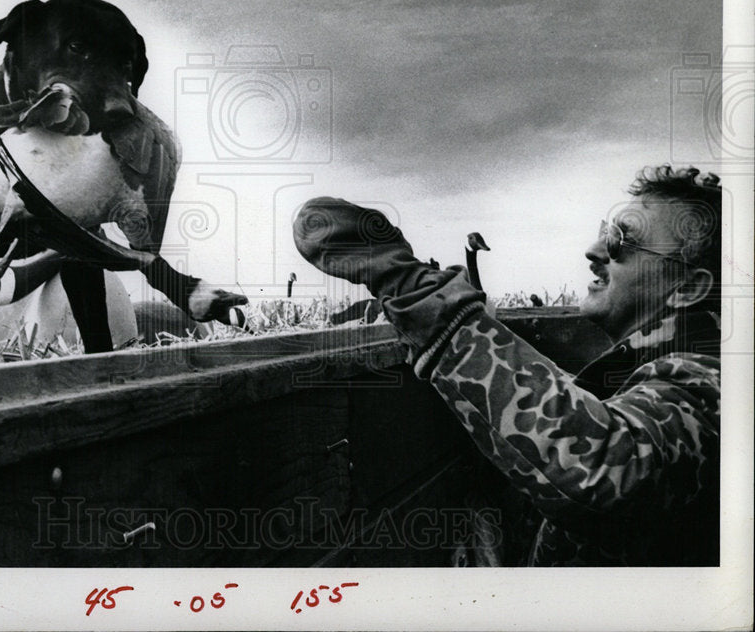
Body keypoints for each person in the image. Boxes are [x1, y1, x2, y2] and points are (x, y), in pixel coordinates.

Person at [293, 165, 721, 566]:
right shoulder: (654, 369)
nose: (593, 250)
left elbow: (610, 466)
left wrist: (410, 287)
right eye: (603, 233)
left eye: (620, 241)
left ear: (688, 288)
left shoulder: (713, 382)